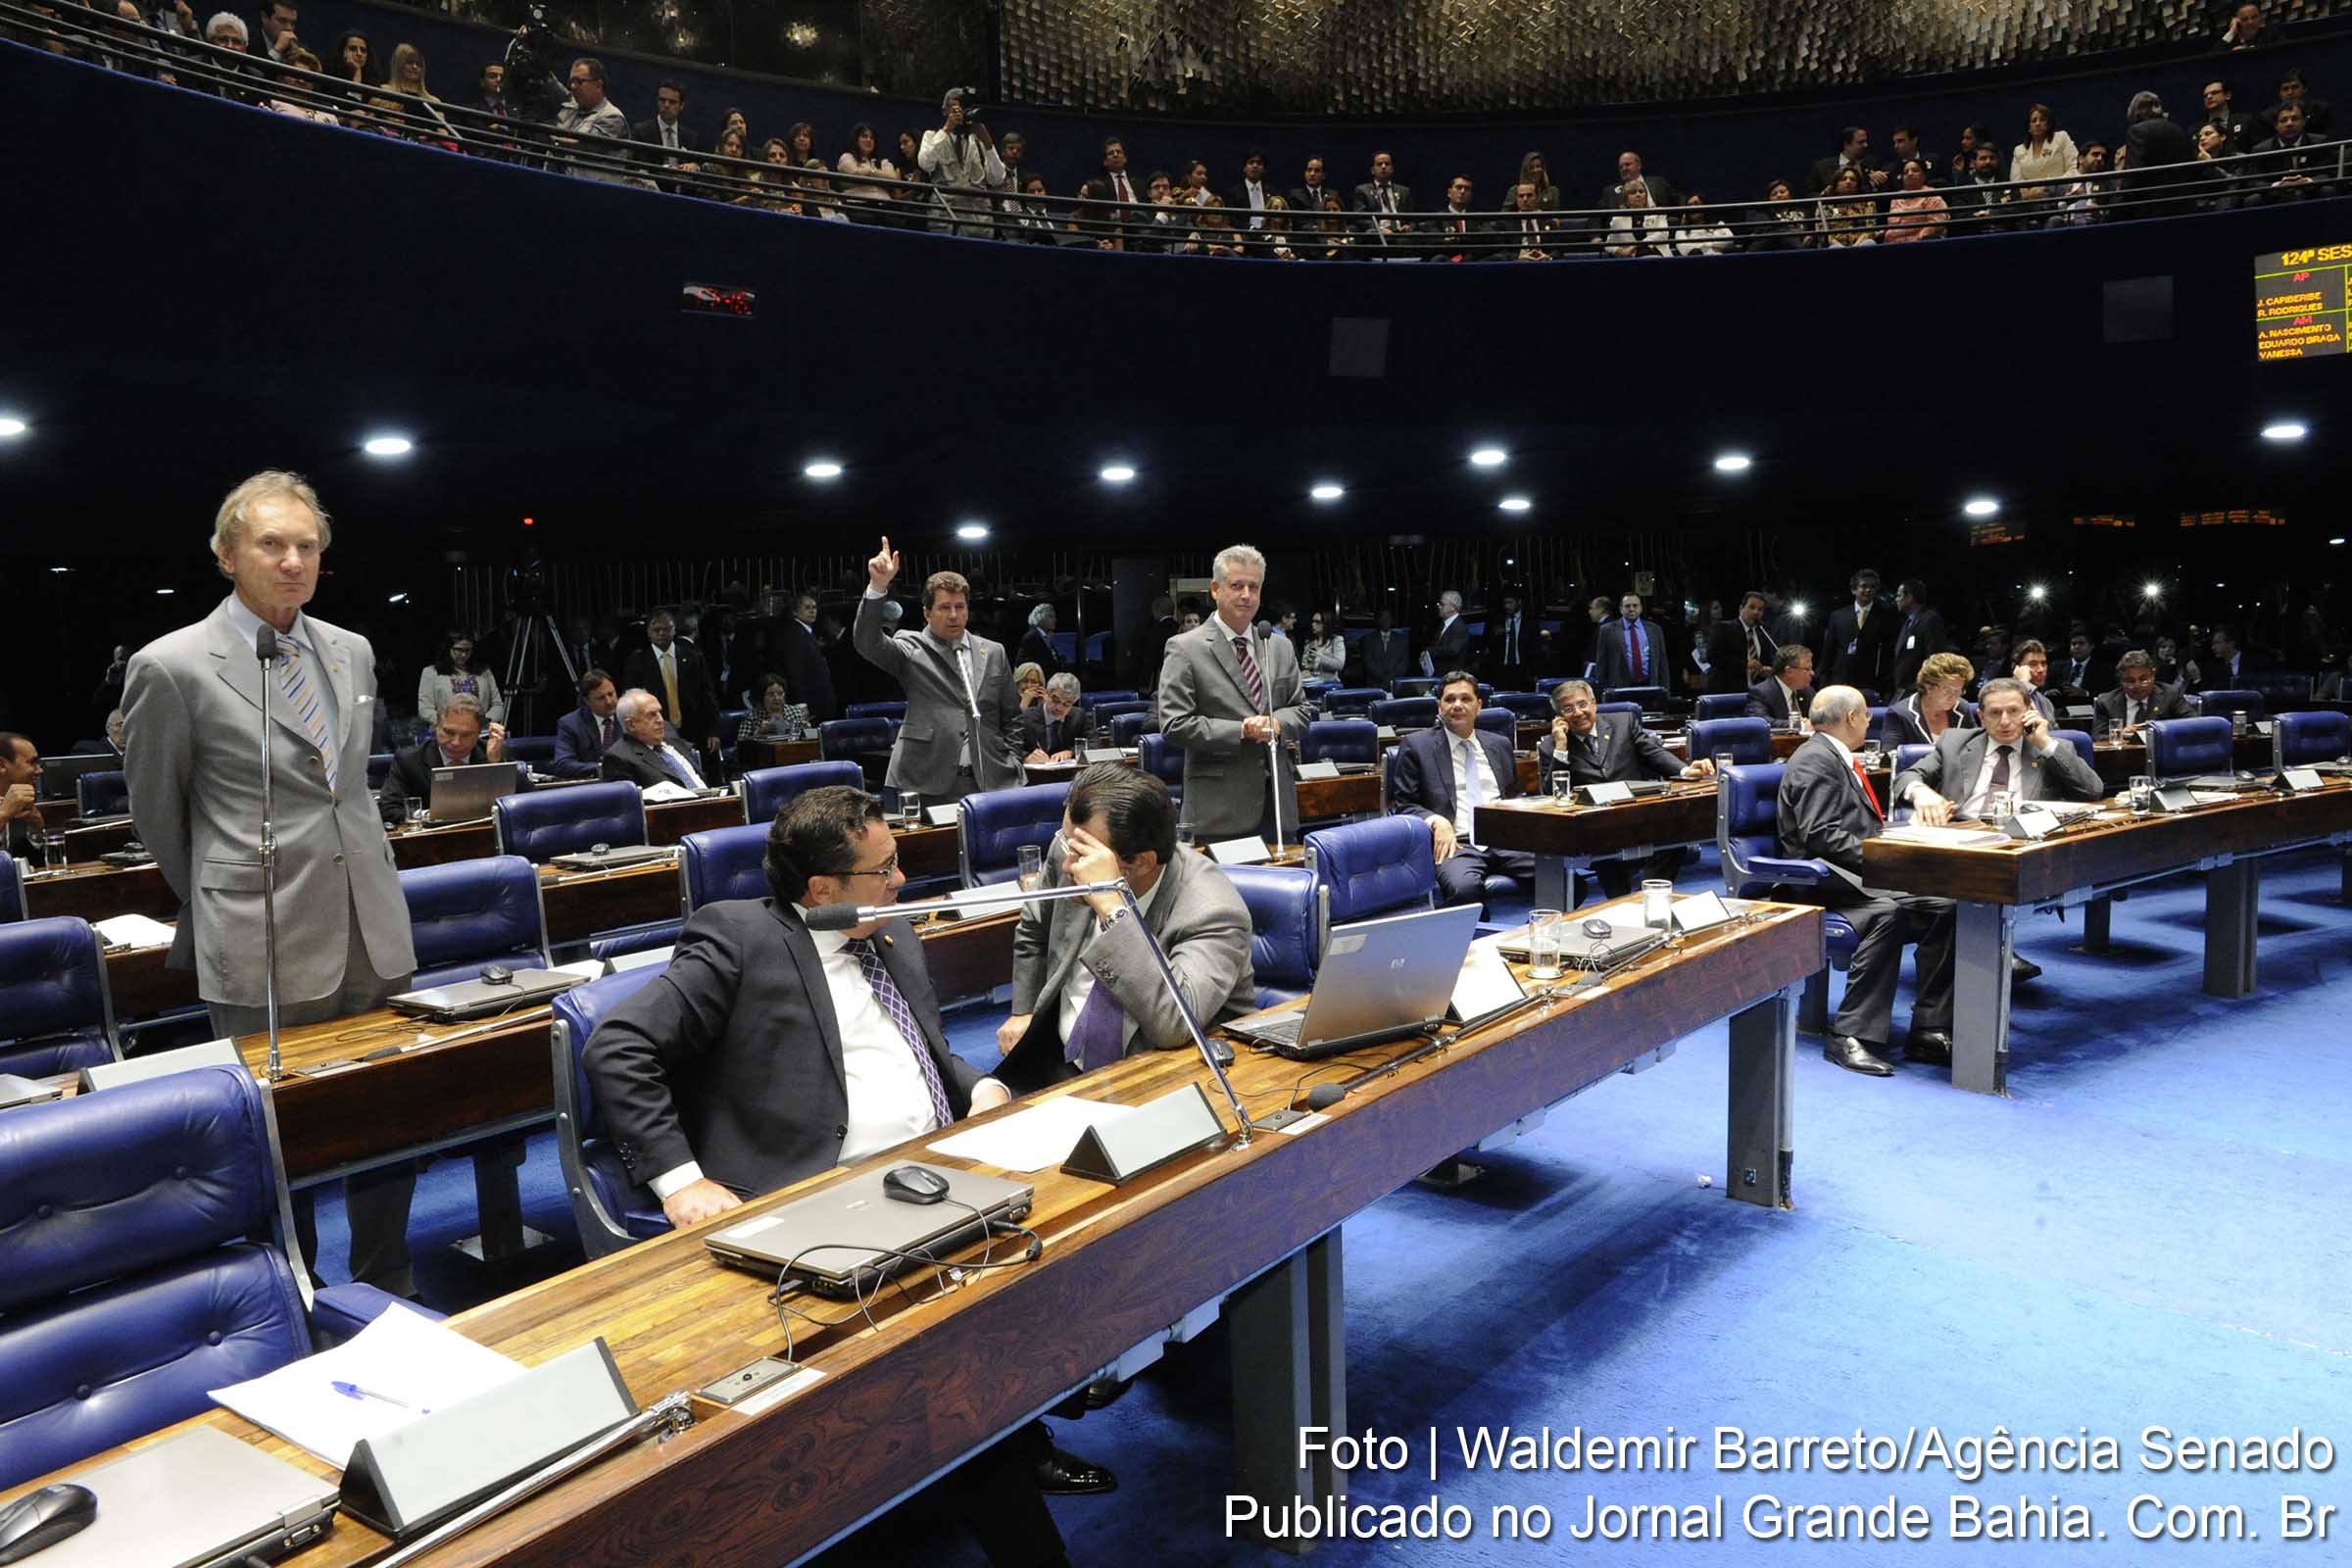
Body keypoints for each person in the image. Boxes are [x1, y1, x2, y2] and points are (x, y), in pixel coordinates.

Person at [583, 784, 1110, 1551]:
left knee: (1070, 1234)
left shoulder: (888, 933)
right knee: (955, 1350)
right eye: (884, 868)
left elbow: (923, 1050)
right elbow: (620, 1048)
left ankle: (1014, 1435)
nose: (901, 882)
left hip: (932, 1172)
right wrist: (680, 1181)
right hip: (818, 1200)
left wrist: (981, 1088)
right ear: (821, 889)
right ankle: (1010, 1495)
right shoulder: (738, 938)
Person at [122, 470, 418, 1292]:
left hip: (371, 921)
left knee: (389, 1116)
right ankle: (292, 1295)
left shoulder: (350, 649)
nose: (293, 561)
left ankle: (385, 1281)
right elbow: (157, 812)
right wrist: (224, 898)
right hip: (260, 934)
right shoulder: (172, 666)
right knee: (278, 1141)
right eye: (272, 545)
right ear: (226, 555)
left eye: (307, 546)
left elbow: (349, 786)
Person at [996, 763, 1254, 1091]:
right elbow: (1034, 925)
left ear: (1143, 862)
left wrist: (1112, 908)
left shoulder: (1213, 909)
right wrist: (1024, 1010)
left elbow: (1175, 1022)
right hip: (1056, 1062)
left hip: (1161, 1075)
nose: (1066, 865)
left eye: (1081, 854)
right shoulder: (1073, 850)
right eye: (1067, 844)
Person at [1776, 686, 1954, 1075]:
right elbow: (1820, 835)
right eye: (1867, 716)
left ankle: (1929, 1026)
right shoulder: (1815, 760)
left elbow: (1854, 829)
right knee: (1887, 913)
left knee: (1945, 907)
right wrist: (1888, 860)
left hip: (1855, 876)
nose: (1870, 722)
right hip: (1820, 882)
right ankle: (1849, 1034)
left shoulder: (1835, 756)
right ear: (1853, 718)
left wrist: (1901, 839)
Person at [1156, 544, 1309, 840]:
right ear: (1215, 589)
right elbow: (1174, 724)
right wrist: (1241, 730)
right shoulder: (1185, 648)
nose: (1246, 595)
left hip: (1277, 808)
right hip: (1218, 813)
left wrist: (1278, 723)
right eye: (1237, 586)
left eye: (1254, 587)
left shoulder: (1278, 646)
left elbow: (1301, 711)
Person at [856, 542, 1023, 800]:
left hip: (990, 779)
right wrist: (878, 587)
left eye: (960, 607)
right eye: (944, 608)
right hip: (926, 780)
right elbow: (867, 643)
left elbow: (1011, 716)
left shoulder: (993, 652)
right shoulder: (911, 647)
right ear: (927, 613)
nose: (954, 615)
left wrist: (1014, 759)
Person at [1535, 680, 1713, 899]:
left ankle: (1647, 894)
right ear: (1559, 716)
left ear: (1594, 703)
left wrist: (1685, 771)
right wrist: (1561, 747)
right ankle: (1620, 899)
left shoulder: (1623, 723)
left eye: (1582, 704)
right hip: (1594, 825)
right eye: (1568, 709)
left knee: (1675, 834)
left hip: (1635, 815)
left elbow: (1654, 754)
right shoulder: (1551, 746)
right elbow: (1551, 793)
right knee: (1605, 845)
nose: (1578, 713)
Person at [1388, 673, 1536, 907]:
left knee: (1564, 880)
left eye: (1466, 699)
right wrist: (1436, 821)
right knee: (1463, 891)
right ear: (1440, 706)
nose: (1457, 705)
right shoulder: (1417, 745)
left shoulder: (1499, 744)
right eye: (1450, 699)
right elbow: (1405, 806)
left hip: (1505, 839)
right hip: (1456, 843)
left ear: (1479, 706)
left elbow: (1513, 796)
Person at [1895, 676, 2102, 826]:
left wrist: (2044, 743)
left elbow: (2093, 790)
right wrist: (1921, 792)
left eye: (2013, 711)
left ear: (2029, 712)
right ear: (1981, 716)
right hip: (1962, 832)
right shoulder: (1954, 742)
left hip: (2024, 840)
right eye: (1995, 713)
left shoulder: (2051, 748)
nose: (2005, 721)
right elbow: (1907, 776)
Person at [621, 612, 721, 771]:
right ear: (648, 633)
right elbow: (631, 701)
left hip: (694, 730)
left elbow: (707, 695)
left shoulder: (693, 656)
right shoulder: (637, 661)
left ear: (674, 631)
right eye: (656, 630)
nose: (661, 633)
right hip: (659, 732)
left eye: (666, 629)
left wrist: (713, 730)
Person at [377, 694, 507, 813]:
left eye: (466, 735)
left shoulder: (493, 752)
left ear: (479, 733)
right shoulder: (409, 760)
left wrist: (495, 763)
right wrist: (430, 816)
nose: (456, 742)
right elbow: (388, 808)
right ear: (436, 726)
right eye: (449, 732)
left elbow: (523, 801)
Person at [915, 87, 1004, 237]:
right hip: (946, 223)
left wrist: (988, 144)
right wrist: (947, 129)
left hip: (980, 224)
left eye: (963, 109)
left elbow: (997, 178)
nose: (960, 113)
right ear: (944, 111)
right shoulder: (932, 136)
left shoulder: (978, 140)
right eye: (955, 109)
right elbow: (925, 163)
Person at [600, 688, 710, 790]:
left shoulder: (669, 734)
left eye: (660, 712)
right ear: (631, 724)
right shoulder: (618, 758)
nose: (660, 720)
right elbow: (631, 805)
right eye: (652, 715)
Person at [1819, 568, 1897, 697]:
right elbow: (1828, 651)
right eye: (1864, 586)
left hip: (1871, 683)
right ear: (1854, 590)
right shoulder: (1838, 616)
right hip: (1841, 682)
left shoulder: (1887, 616)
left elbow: (1890, 651)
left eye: (1872, 587)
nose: (1868, 590)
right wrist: (1823, 679)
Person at [554, 58, 630, 181]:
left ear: (599, 85)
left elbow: (585, 145)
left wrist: (552, 139)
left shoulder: (613, 117)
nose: (573, 87)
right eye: (571, 81)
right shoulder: (572, 109)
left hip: (596, 194)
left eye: (579, 81)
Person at [1881, 653, 1978, 748]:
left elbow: (1977, 746)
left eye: (1958, 690)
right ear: (1928, 686)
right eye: (1947, 690)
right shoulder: (1900, 714)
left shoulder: (1962, 707)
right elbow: (1889, 758)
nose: (1953, 696)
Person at [2092, 649, 2193, 739]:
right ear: (2121, 681)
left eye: (2143, 679)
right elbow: (2097, 736)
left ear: (2153, 676)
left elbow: (2192, 723)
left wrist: (2159, 731)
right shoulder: (2106, 702)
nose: (2137, 685)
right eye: (2130, 681)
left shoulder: (2170, 694)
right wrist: (2120, 734)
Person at [416, 628, 503, 728]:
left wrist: (484, 720)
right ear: (448, 648)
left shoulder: (484, 672)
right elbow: (424, 708)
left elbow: (498, 705)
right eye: (459, 650)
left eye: (468, 650)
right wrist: (447, 722)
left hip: (479, 732)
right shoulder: (431, 673)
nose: (464, 654)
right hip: (446, 732)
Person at [632, 78, 705, 189]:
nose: (666, 105)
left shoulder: (691, 138)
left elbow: (699, 167)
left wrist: (695, 167)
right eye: (662, 100)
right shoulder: (642, 131)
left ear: (681, 106)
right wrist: (669, 171)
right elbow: (640, 168)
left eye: (672, 102)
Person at [553, 667, 622, 777]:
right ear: (587, 701)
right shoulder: (571, 724)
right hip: (592, 786)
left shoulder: (628, 715)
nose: (609, 701)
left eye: (611, 694)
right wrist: (601, 768)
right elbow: (562, 764)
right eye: (601, 698)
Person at [1592, 591, 1665, 696]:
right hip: (1619, 688)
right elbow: (1601, 664)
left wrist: (1665, 691)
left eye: (1635, 605)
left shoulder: (1654, 629)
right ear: (1621, 609)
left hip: (1650, 686)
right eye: (1627, 606)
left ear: (1641, 608)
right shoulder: (1607, 630)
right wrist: (1603, 692)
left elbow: (1662, 663)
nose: (1631, 609)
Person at [1705, 591, 1779, 695]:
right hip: (1728, 692)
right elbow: (1713, 657)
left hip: (1756, 693)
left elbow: (1766, 661)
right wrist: (1745, 664)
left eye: (1760, 609)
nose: (1756, 612)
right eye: (1752, 607)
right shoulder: (1723, 628)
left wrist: (1766, 670)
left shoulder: (1763, 632)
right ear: (1741, 608)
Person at [1889, 579, 1948, 694]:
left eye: (1899, 595)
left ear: (1909, 597)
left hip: (1919, 688)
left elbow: (1934, 656)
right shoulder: (1908, 622)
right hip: (1904, 688)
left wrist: (1922, 683)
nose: (1896, 599)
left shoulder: (1930, 619)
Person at [1019, 672, 1093, 762]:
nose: (1059, 707)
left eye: (1067, 703)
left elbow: (1095, 744)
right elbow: (1009, 748)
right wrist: (1026, 758)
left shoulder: (1079, 716)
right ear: (1046, 694)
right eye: (1055, 700)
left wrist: (1071, 752)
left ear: (1074, 701)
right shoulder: (1026, 718)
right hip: (1035, 774)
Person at [0, 733, 47, 860]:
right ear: (1, 766)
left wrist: (36, 831)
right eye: (32, 762)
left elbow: (34, 866)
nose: (39, 770)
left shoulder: (25, 805)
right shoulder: (8, 809)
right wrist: (3, 814)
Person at [1352, 150, 1413, 246]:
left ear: (1392, 169)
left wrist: (1408, 226)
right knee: (1370, 234)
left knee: (1420, 235)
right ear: (1372, 170)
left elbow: (1411, 218)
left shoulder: (1404, 191)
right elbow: (1360, 218)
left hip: (1400, 233)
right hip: (1378, 232)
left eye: (1387, 164)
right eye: (1379, 164)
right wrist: (1379, 229)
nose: (1383, 167)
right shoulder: (1362, 190)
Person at [1747, 644, 1816, 726]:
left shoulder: (1807, 691)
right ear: (1789, 671)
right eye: (1807, 669)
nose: (1812, 673)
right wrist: (1798, 724)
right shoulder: (1761, 693)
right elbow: (1760, 721)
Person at [737, 671, 811, 745]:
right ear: (763, 696)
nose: (776, 698)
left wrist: (808, 730)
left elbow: (806, 741)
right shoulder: (752, 716)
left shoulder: (796, 712)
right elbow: (740, 744)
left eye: (780, 693)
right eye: (771, 694)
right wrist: (759, 732)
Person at [1883, 159, 1948, 240]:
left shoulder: (1932, 195)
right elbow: (1892, 226)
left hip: (1921, 244)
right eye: (1906, 172)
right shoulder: (1897, 198)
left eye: (1915, 170)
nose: (1910, 174)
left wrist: (1917, 240)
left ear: (1924, 176)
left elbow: (1936, 224)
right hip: (1894, 245)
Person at [1809, 126, 1885, 197]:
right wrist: (1824, 195)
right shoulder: (1821, 167)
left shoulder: (1872, 164)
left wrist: (1876, 183)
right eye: (1860, 142)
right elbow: (1809, 193)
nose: (1866, 145)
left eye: (1865, 141)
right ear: (1846, 144)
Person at [2010, 637, 2058, 722]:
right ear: (2016, 668)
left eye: (2043, 663)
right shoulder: (2004, 694)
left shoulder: (2046, 702)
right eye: (2033, 664)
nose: (2041, 670)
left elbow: (2052, 732)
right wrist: (2024, 683)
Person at [1362, 608, 1411, 688]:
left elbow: (1403, 665)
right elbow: (1368, 664)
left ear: (1392, 620)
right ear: (1378, 620)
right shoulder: (1369, 639)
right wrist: (1384, 678)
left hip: (1395, 684)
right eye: (1383, 617)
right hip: (1374, 684)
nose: (1386, 620)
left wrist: (1390, 678)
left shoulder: (1401, 640)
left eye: (1388, 618)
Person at [1299, 611, 1349, 681]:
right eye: (1313, 621)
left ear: (1325, 623)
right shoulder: (1310, 641)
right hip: (1312, 683)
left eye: (1317, 622)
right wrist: (1308, 663)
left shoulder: (1336, 640)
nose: (1313, 624)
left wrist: (1320, 657)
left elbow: (1339, 665)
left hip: (1330, 683)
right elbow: (1307, 665)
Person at [1429, 590, 1471, 672]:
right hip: (1439, 673)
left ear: (1453, 607)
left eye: (1442, 604)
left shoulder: (1459, 627)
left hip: (1451, 676)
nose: (1439, 606)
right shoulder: (1444, 624)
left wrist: (1429, 651)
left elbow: (1452, 650)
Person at [1017, 604, 1061, 676]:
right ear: (1040, 618)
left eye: (1054, 617)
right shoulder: (1031, 637)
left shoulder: (1045, 637)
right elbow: (1022, 663)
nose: (1055, 620)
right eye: (1051, 616)